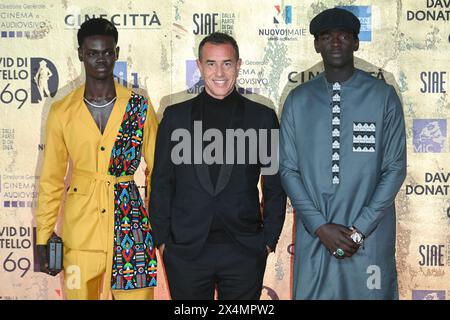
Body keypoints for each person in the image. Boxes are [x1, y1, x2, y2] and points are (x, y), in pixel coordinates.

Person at [279, 8, 406, 299]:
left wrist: (359, 230)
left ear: (356, 43)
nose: (335, 42)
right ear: (316, 45)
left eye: (344, 36)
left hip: (369, 237)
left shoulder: (383, 96)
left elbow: (395, 167)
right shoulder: (298, 100)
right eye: (326, 37)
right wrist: (320, 227)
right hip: (316, 237)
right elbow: (288, 169)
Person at [149, 32, 286, 300]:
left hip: (244, 249)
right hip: (186, 250)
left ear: (238, 65)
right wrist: (163, 241)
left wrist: (268, 240)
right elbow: (162, 182)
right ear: (199, 66)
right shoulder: (175, 117)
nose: (219, 72)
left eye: (227, 63)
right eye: (211, 63)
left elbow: (275, 185)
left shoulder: (262, 117)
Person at [36, 18, 158, 300]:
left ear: (116, 52)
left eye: (106, 52)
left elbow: (159, 172)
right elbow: (52, 179)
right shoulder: (62, 111)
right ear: (80, 54)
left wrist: (159, 226)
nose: (100, 59)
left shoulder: (138, 107)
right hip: (81, 228)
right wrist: (43, 235)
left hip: (131, 226)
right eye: (92, 53)